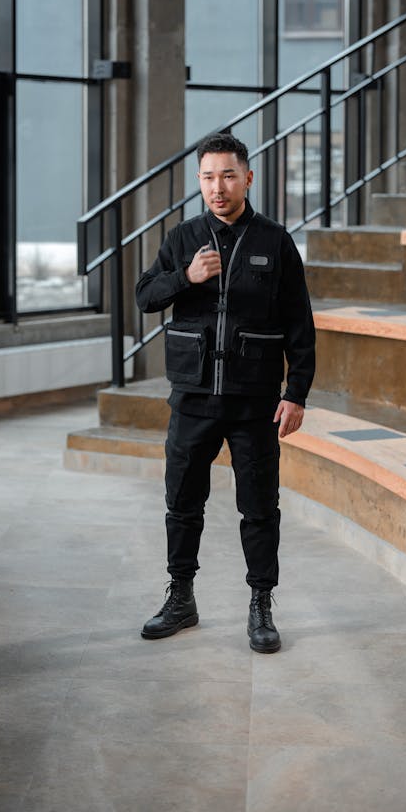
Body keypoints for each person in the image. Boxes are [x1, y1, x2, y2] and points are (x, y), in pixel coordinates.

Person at [135, 132, 316, 653]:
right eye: (209, 177)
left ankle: (261, 604)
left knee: (259, 507)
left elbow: (299, 322)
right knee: (182, 504)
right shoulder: (183, 237)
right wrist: (185, 278)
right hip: (192, 397)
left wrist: (296, 391)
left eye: (229, 175)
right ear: (199, 181)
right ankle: (181, 598)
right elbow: (146, 295)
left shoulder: (274, 241)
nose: (219, 187)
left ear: (248, 178)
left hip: (254, 401)